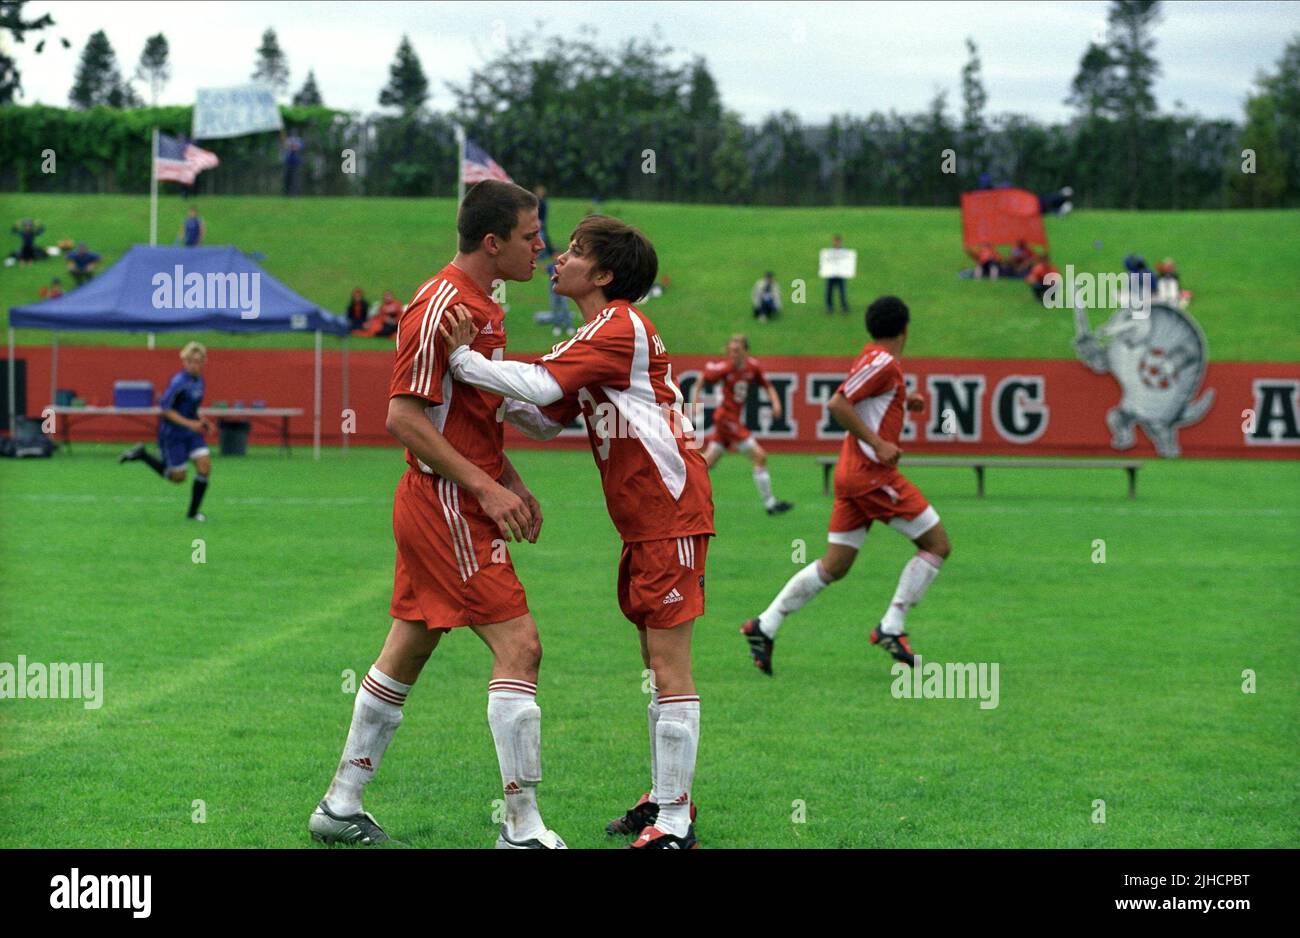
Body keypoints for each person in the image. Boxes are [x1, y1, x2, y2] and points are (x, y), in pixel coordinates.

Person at [440, 214, 713, 849]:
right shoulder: (598, 333)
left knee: (670, 665)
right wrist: (482, 393)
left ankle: (674, 822)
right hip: (648, 520)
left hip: (668, 513)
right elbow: (543, 417)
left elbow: (539, 383)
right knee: (656, 659)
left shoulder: (619, 325)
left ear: (604, 274)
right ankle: (666, 799)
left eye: (575, 252)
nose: (556, 258)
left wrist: (462, 361)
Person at [308, 179, 565, 850]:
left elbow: (469, 418)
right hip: (444, 503)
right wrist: (486, 488)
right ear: (492, 241)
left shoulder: (481, 305)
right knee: (522, 647)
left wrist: (509, 478)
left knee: (408, 649)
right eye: (530, 236)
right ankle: (522, 827)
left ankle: (340, 806)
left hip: (450, 496)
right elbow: (403, 416)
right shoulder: (443, 305)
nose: (541, 246)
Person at [740, 296, 952, 677]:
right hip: (871, 475)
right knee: (937, 545)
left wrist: (907, 400)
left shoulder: (874, 358)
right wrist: (879, 443)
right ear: (906, 328)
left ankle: (765, 625)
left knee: (835, 566)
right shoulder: (883, 362)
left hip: (852, 475)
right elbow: (839, 404)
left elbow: (864, 398)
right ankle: (892, 626)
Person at [690, 335, 793, 516]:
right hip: (726, 419)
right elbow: (702, 376)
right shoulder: (724, 368)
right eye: (731, 351)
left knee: (706, 463)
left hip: (730, 419)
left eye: (737, 351)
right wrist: (696, 398)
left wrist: (776, 403)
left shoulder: (753, 367)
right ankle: (770, 504)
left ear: (746, 351)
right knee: (760, 456)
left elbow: (767, 385)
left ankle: (679, 485)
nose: (733, 354)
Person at [118, 342, 214, 521]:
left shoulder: (199, 381)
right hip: (173, 433)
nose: (194, 365)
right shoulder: (179, 382)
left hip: (190, 432)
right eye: (190, 361)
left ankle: (193, 514)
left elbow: (191, 407)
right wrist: (190, 424)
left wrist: (202, 421)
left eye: (198, 361)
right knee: (178, 477)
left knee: (205, 466)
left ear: (203, 363)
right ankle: (143, 455)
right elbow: (164, 409)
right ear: (184, 362)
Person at [824, 234, 850, 314]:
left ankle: (844, 307)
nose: (836, 243)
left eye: (837, 242)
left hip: (841, 275)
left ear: (840, 242)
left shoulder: (844, 252)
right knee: (829, 292)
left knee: (842, 292)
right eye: (835, 241)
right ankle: (829, 307)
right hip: (831, 275)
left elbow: (848, 262)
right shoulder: (829, 252)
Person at [282, 129, 304, 196]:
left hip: (296, 162)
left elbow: (299, 147)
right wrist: (289, 146)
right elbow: (285, 147)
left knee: (295, 179)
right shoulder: (288, 140)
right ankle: (286, 193)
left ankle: (294, 193)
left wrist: (292, 146)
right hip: (288, 161)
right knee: (287, 178)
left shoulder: (298, 140)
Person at [534, 184, 554, 257]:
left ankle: (543, 253)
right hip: (535, 222)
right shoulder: (536, 202)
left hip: (540, 223)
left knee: (542, 237)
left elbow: (543, 215)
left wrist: (541, 222)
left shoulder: (543, 203)